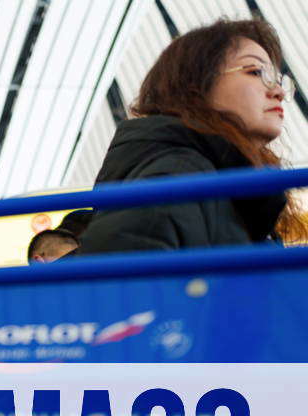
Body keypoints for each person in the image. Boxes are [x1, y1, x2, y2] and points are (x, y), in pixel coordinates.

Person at [77, 19, 307, 253]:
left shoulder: (218, 184)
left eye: (277, 80)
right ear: (195, 85)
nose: (278, 92)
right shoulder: (177, 175)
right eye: (256, 71)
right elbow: (123, 280)